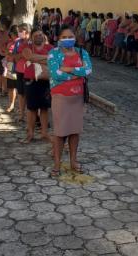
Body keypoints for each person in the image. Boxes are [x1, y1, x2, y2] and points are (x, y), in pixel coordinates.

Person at [48, 26, 92, 178]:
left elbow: (88, 71)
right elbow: (55, 74)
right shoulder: (53, 53)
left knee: (74, 131)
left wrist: (67, 69)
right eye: (64, 37)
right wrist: (75, 74)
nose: (68, 39)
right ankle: (57, 164)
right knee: (60, 132)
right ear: (59, 38)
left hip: (78, 97)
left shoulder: (82, 52)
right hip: (60, 97)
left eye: (70, 36)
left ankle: (74, 161)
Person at [22, 29, 53, 143]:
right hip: (31, 81)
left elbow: (53, 60)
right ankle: (30, 133)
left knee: (44, 107)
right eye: (36, 35)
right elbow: (28, 57)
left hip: (45, 81)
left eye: (41, 34)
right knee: (31, 108)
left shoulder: (50, 48)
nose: (39, 37)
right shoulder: (27, 47)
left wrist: (36, 58)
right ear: (31, 37)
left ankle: (44, 133)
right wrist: (45, 58)